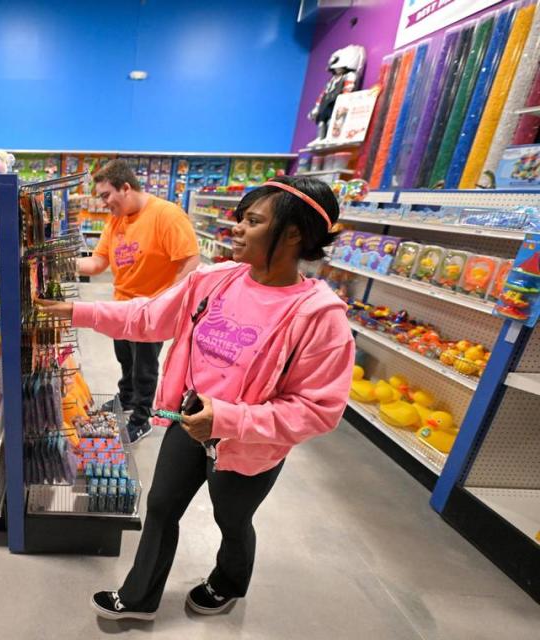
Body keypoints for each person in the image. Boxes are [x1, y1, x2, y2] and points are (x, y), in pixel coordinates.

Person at [38, 176, 355, 621]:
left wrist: (228, 420)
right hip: (189, 420)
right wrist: (79, 311)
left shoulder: (319, 316)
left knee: (232, 520)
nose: (237, 229)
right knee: (162, 506)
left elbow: (319, 410)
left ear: (294, 233)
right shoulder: (214, 280)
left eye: (254, 221)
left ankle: (229, 580)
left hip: (249, 444)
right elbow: (148, 316)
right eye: (240, 218)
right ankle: (140, 596)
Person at [77, 159, 200, 443]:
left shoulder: (166, 215)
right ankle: (128, 397)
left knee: (145, 367)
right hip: (122, 306)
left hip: (151, 310)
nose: (104, 203)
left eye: (107, 195)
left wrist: (166, 301)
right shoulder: (116, 220)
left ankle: (141, 418)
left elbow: (189, 260)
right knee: (125, 359)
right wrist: (60, 263)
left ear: (126, 188)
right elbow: (98, 263)